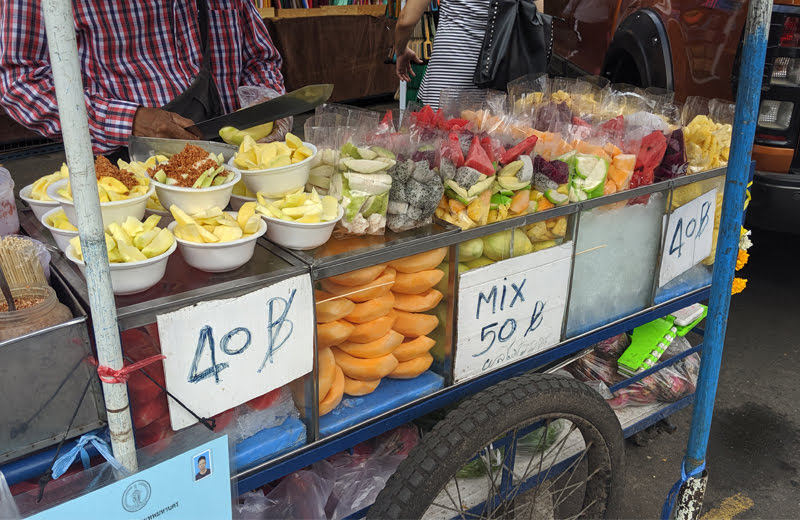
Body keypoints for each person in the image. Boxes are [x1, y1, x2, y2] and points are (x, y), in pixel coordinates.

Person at [0, 0, 291, 155]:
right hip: (126, 173)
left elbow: (260, 58)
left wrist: (267, 102)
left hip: (239, 159)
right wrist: (129, 121)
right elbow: (20, 81)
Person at [394, 0, 544, 109]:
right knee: (493, 145)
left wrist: (401, 50)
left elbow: (406, 21)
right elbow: (536, 22)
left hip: (449, 72)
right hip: (500, 72)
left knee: (440, 142)